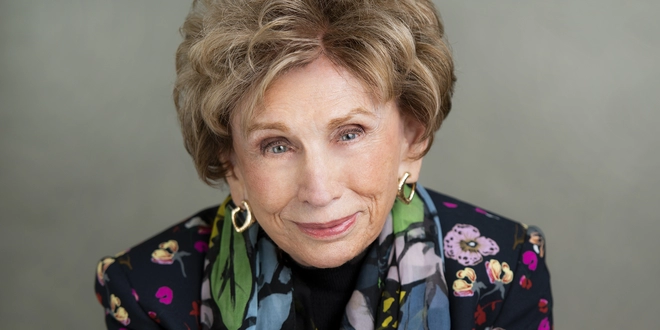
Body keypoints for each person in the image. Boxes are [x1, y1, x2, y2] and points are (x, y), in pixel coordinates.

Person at [94, 0, 553, 329]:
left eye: (349, 134)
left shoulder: (502, 270)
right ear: (230, 163)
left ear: (412, 139)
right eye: (276, 145)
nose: (319, 190)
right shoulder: (146, 291)